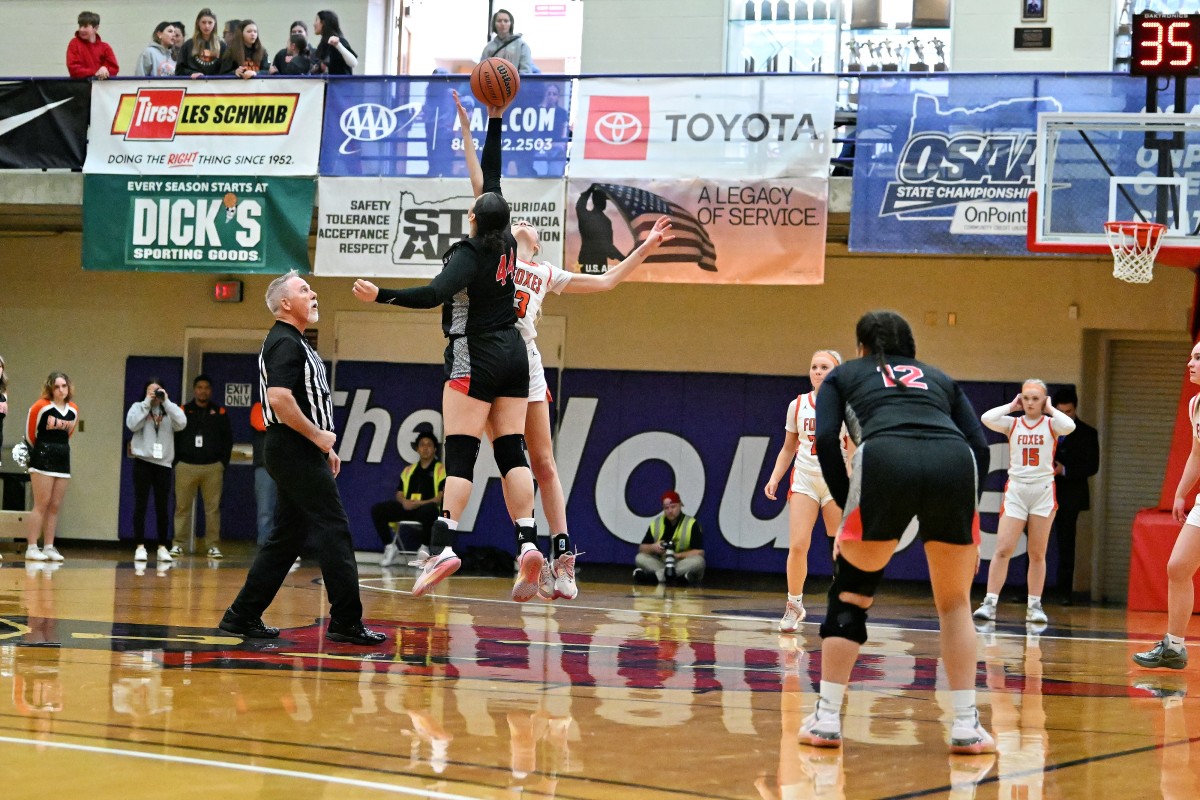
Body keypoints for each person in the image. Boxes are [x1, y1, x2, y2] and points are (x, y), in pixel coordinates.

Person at [450, 90, 674, 601]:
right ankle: (524, 551)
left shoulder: (545, 272)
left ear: (539, 243)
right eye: (514, 221)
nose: (521, 223)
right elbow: (482, 181)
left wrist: (645, 246)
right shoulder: (497, 247)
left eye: (528, 225)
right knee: (504, 456)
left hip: (522, 359)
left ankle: (562, 558)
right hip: (487, 351)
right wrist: (475, 127)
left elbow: (609, 281)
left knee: (543, 462)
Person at [351, 92, 541, 603]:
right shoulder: (506, 241)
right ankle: (527, 539)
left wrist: (383, 294)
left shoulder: (469, 253)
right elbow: (493, 179)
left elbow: (434, 293)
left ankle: (442, 544)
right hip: (513, 355)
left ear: (475, 220)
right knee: (510, 450)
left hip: (473, 352)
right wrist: (493, 119)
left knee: (461, 455)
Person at [800, 310, 994, 755]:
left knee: (850, 595)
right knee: (956, 602)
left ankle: (827, 719)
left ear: (861, 347)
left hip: (886, 456)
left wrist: (850, 500)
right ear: (912, 348)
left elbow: (826, 439)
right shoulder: (939, 377)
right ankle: (966, 725)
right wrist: (968, 513)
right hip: (953, 461)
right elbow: (980, 446)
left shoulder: (844, 375)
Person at [219, 271, 385, 646]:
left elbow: (304, 402)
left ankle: (241, 615)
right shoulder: (284, 342)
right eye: (304, 290)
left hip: (297, 448)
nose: (313, 294)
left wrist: (325, 446)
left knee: (287, 537)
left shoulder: (296, 342)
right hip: (291, 447)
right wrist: (317, 438)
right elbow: (278, 399)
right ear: (284, 304)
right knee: (334, 527)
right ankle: (345, 621)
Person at [973, 380, 1075, 627]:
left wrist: (1050, 409)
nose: (1030, 403)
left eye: (1035, 398)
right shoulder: (1013, 423)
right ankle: (989, 602)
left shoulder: (1052, 424)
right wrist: (1011, 405)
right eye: (1026, 398)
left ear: (1044, 400)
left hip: (1042, 491)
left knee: (1037, 553)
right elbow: (987, 418)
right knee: (1003, 548)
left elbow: (1070, 425)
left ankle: (1035, 605)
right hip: (1017, 490)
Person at [763, 350, 849, 632]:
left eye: (824, 367)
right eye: (814, 366)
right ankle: (794, 605)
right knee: (798, 544)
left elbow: (856, 450)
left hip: (835, 481)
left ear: (836, 372)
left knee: (839, 548)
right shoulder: (798, 405)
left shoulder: (847, 408)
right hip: (805, 480)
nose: (817, 371)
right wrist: (775, 477)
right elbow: (789, 447)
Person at [1133, 340, 1200, 670]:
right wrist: (1180, 493)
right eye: (1191, 356)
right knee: (1177, 567)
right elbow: (1196, 454)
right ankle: (1173, 648)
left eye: (1198, 358)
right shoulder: (1196, 405)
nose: (1190, 363)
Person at [126, 379, 186, 562]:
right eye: (150, 391)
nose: (154, 394)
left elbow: (182, 423)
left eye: (157, 391)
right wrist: (146, 403)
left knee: (162, 507)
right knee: (141, 505)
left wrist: (166, 401)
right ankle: (140, 546)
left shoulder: (169, 410)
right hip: (143, 462)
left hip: (164, 464)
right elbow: (132, 425)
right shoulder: (138, 407)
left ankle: (162, 547)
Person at [173, 374, 232, 558]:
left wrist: (222, 463)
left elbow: (227, 439)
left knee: (212, 509)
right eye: (200, 387)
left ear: (211, 391)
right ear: (194, 390)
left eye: (206, 388)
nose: (203, 391)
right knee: (182, 508)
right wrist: (177, 462)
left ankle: (212, 546)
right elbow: (174, 437)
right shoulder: (183, 410)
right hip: (186, 466)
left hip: (212, 467)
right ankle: (178, 545)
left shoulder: (220, 412)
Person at [1051, 386, 1099, 604]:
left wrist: (1064, 470)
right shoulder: (1045, 428)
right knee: (1034, 543)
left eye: (1068, 412)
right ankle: (1031, 591)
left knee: (1066, 544)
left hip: (1070, 495)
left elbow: (1092, 466)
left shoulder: (1088, 433)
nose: (1065, 416)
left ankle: (1064, 592)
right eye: (1060, 412)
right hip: (1043, 493)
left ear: (1075, 409)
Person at [25, 372, 79, 563]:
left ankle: (49, 546)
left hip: (63, 458)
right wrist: (39, 454)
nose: (61, 390)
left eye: (64, 386)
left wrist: (59, 450)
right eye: (57, 386)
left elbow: (69, 432)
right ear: (50, 388)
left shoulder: (73, 409)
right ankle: (32, 546)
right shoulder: (40, 407)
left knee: (55, 505)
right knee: (42, 503)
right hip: (43, 457)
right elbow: (30, 434)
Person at [375, 430, 446, 567]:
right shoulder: (409, 470)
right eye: (422, 445)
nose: (425, 448)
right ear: (417, 449)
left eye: (429, 445)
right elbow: (399, 492)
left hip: (426, 510)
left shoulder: (441, 470)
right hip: (408, 508)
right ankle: (390, 547)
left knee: (431, 510)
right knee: (378, 510)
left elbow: (440, 497)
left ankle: (424, 550)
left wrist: (420, 503)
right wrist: (404, 502)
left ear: (435, 449)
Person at [634, 490, 706, 586]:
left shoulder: (691, 523)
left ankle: (656, 577)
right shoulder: (656, 523)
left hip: (681, 563)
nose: (670, 511)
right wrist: (654, 547)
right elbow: (642, 548)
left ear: (680, 505)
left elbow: (699, 552)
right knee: (640, 558)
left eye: (673, 507)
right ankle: (679, 577)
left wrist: (677, 556)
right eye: (666, 508)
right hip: (662, 562)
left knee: (699, 562)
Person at [575, 190, 626, 272]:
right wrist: (623, 258)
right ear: (596, 201)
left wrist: (587, 192)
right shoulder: (599, 219)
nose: (604, 203)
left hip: (595, 260)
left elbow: (608, 245)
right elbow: (606, 245)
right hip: (593, 260)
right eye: (602, 200)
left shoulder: (603, 220)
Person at [249, 401, 277, 546]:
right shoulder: (258, 407)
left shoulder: (294, 405)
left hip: (289, 468)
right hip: (265, 467)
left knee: (288, 512)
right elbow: (262, 424)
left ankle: (286, 549)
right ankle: (266, 548)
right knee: (265, 512)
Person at [66, 11, 118, 79]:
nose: (81, 29)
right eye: (80, 26)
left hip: (101, 88)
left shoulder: (105, 47)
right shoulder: (74, 44)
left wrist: (105, 69)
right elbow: (73, 69)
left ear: (95, 28)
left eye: (85, 26)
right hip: (80, 87)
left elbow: (114, 68)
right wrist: (96, 72)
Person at [481, 8, 534, 73]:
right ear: (494, 24)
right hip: (493, 83)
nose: (503, 24)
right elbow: (482, 71)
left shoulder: (522, 46)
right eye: (499, 21)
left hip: (517, 83)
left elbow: (526, 72)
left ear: (511, 24)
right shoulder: (488, 48)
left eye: (506, 21)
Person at [176, 8, 224, 78]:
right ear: (198, 23)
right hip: (193, 85)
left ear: (214, 24)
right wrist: (191, 73)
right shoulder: (188, 45)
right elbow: (179, 70)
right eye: (203, 22)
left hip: (215, 86)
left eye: (210, 23)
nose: (207, 26)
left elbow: (226, 70)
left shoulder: (222, 45)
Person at [312, 10, 358, 75]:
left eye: (316, 20)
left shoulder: (340, 42)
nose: (314, 24)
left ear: (323, 22)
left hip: (341, 84)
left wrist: (338, 45)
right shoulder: (323, 45)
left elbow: (354, 63)